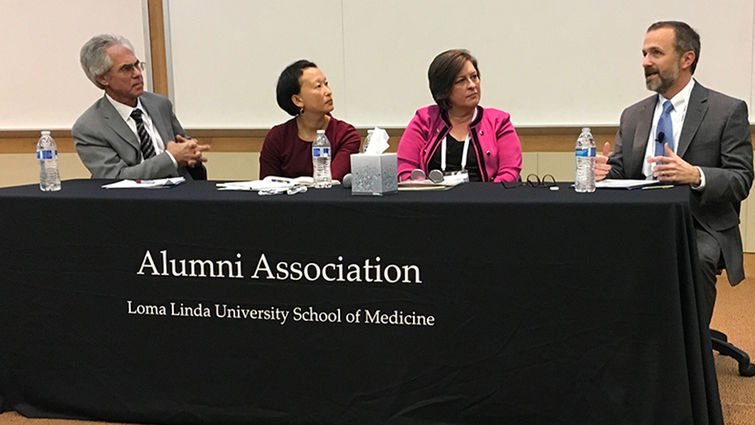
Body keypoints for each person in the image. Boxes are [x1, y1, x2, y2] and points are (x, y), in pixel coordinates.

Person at [595, 21, 754, 323]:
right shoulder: (633, 115)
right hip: (639, 220)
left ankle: (688, 356)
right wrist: (604, 172)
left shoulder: (726, 110)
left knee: (696, 258)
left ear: (686, 59)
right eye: (644, 53)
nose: (645, 62)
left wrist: (697, 175)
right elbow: (620, 172)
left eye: (656, 52)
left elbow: (741, 179)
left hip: (698, 224)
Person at [73, 34, 209, 180]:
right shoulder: (89, 127)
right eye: (126, 69)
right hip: (132, 200)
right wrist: (170, 158)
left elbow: (183, 148)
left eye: (137, 65)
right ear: (103, 78)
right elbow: (115, 178)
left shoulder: (159, 105)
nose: (138, 74)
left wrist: (191, 152)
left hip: (180, 194)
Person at [397, 49, 521, 182]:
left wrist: (487, 198)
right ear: (444, 89)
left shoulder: (499, 122)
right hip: (433, 200)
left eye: (474, 77)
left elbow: (509, 172)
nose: (472, 85)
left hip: (486, 199)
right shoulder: (424, 120)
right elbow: (405, 171)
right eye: (461, 81)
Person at [259, 60, 360, 181]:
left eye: (326, 84)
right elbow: (268, 186)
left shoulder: (346, 135)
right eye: (318, 86)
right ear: (298, 100)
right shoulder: (277, 137)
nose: (328, 92)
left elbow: (331, 182)